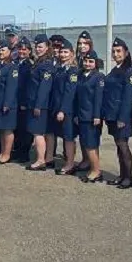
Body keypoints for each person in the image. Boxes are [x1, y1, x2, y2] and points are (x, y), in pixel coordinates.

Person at [102, 37, 132, 189]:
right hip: (112, 115)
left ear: (126, 53)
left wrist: (122, 117)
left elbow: (128, 97)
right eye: (114, 51)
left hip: (122, 116)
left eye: (119, 51)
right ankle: (122, 176)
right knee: (118, 145)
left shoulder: (129, 72)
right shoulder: (115, 69)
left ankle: (128, 177)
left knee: (123, 146)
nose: (116, 54)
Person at [46, 40, 79, 175]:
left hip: (67, 110)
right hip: (57, 108)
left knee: (68, 137)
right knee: (63, 136)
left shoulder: (73, 71)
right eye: (61, 52)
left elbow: (69, 92)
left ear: (72, 53)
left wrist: (63, 110)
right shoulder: (60, 69)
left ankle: (70, 164)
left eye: (66, 52)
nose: (63, 54)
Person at [75, 50, 105, 183]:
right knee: (86, 143)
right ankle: (93, 168)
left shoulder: (98, 77)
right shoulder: (81, 76)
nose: (87, 64)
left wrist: (97, 116)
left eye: (91, 61)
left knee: (91, 144)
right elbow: (77, 97)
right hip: (82, 115)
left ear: (95, 63)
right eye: (86, 61)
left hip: (92, 116)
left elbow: (99, 98)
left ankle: (96, 171)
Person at [26, 34, 55, 171]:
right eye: (36, 47)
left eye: (40, 47)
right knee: (46, 133)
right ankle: (48, 158)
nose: (37, 49)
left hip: (40, 104)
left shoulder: (46, 64)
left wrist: (38, 105)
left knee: (38, 133)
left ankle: (40, 160)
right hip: (38, 103)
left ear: (47, 47)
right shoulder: (40, 62)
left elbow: (44, 87)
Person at [0, 40, 19, 164]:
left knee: (8, 130)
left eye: (3, 50)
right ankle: (3, 152)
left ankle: (7, 154)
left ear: (9, 51)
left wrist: (7, 103)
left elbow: (11, 87)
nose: (1, 52)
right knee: (1, 129)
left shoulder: (12, 67)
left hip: (8, 104)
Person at [12, 37, 33, 163]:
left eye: (24, 49)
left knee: (25, 130)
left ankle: (24, 153)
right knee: (17, 128)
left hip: (24, 101)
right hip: (14, 100)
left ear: (29, 51)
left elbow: (29, 86)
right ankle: (18, 151)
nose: (21, 51)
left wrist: (25, 102)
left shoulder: (30, 65)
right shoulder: (14, 63)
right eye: (20, 49)